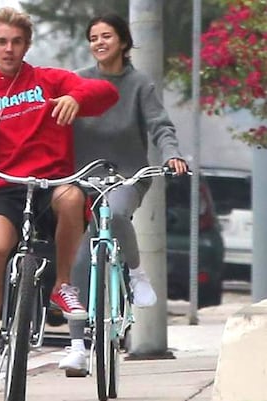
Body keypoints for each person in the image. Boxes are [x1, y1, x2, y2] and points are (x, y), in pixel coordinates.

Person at [0, 7, 119, 385]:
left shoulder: (48, 81)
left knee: (72, 198)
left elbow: (105, 91)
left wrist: (78, 98)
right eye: (1, 42)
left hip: (49, 184)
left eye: (16, 42)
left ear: (27, 45)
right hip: (3, 187)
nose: (9, 49)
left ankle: (62, 285)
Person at [58, 13, 188, 376]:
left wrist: (172, 154)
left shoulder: (139, 84)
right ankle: (77, 347)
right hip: (84, 178)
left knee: (114, 214)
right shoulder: (78, 81)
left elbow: (161, 126)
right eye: (94, 37)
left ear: (124, 42)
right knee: (80, 255)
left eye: (107, 36)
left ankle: (135, 271)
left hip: (128, 175)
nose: (99, 42)